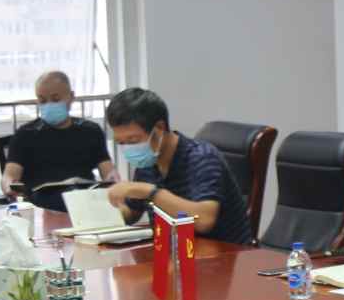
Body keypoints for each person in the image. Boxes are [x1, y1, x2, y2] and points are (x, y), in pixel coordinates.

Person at [103, 88, 252, 244]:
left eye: (133, 140)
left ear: (159, 129)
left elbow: (204, 220)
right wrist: (103, 213)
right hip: (174, 251)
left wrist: (149, 192)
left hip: (224, 253)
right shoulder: (148, 161)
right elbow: (132, 212)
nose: (128, 148)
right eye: (121, 142)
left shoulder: (202, 157)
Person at [1, 71, 115, 212]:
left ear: (71, 97)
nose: (49, 105)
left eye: (55, 99)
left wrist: (113, 179)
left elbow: (108, 170)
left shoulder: (91, 131)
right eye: (42, 100)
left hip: (84, 201)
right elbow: (10, 174)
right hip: (41, 204)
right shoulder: (25, 134)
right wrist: (9, 186)